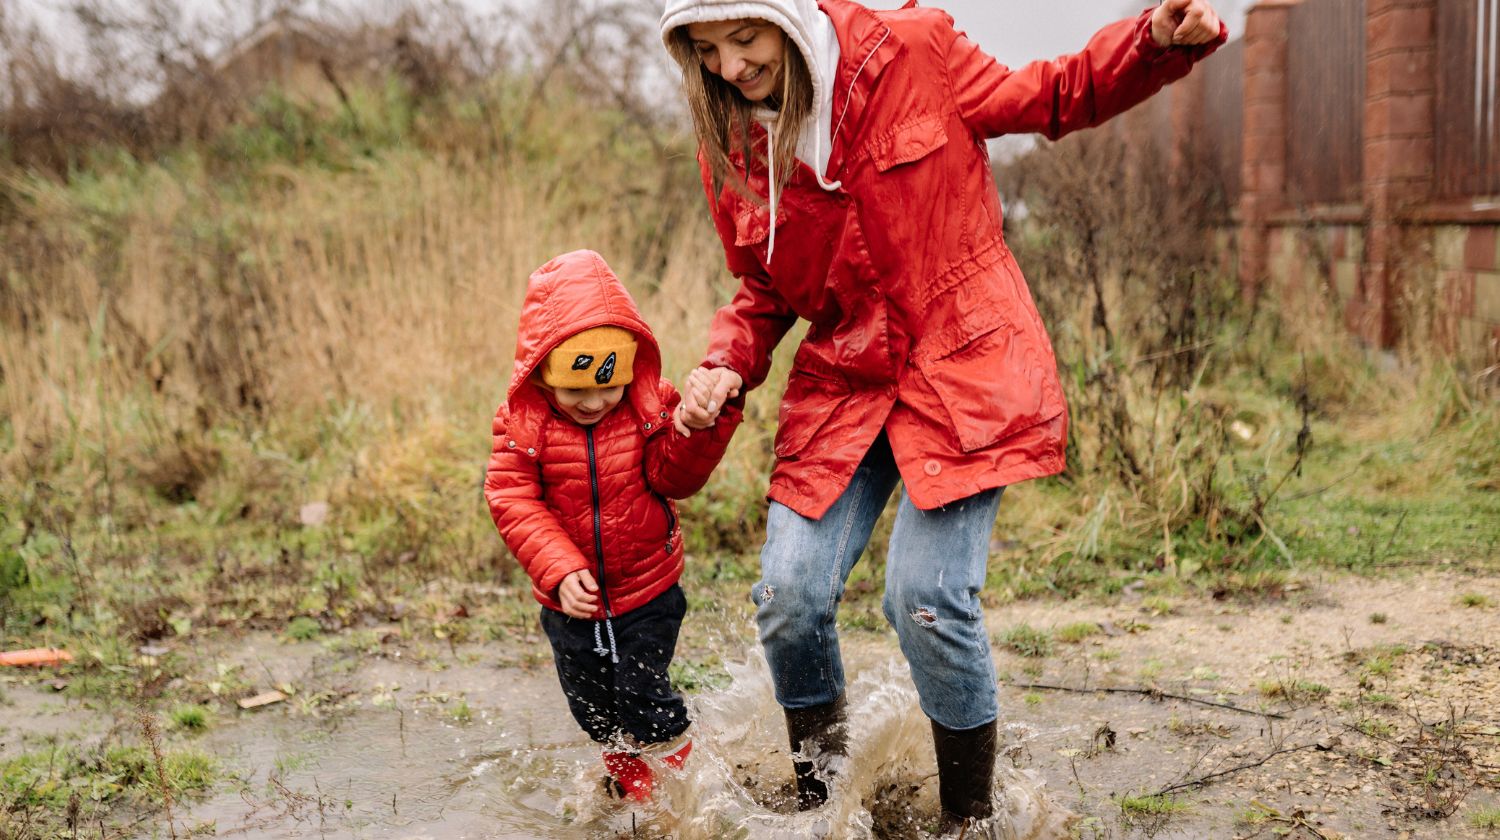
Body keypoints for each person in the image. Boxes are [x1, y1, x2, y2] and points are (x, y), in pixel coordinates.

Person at [658, 0, 1225, 830]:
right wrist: (721, 365)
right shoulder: (734, 147)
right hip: (846, 379)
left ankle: (970, 818)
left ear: (786, 14)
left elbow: (1053, 95)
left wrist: (1152, 43)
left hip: (962, 365)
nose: (732, 68)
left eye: (745, 40)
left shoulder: (913, 52)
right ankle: (825, 807)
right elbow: (762, 293)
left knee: (924, 596)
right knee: (787, 594)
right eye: (707, 52)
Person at [484, 249, 742, 802]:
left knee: (645, 696)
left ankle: (680, 792)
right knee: (594, 709)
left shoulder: (650, 407)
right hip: (570, 601)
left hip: (647, 589)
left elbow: (674, 478)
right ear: (543, 372)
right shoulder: (523, 424)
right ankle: (632, 785)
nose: (595, 401)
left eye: (608, 386)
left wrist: (696, 430)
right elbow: (511, 495)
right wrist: (558, 568)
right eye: (575, 389)